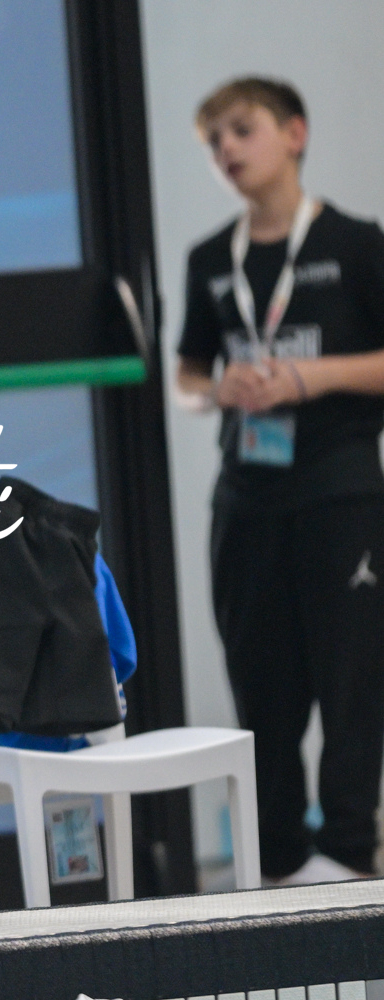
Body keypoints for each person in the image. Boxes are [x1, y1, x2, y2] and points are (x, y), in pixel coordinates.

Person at [174, 78, 384, 884]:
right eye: (213, 140)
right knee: (261, 687)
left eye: (242, 129)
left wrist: (310, 377)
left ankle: (349, 853)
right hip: (246, 502)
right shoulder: (210, 260)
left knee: (352, 679)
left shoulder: (356, 244)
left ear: (294, 133)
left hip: (341, 495)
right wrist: (213, 390)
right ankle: (279, 862)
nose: (227, 149)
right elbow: (187, 376)